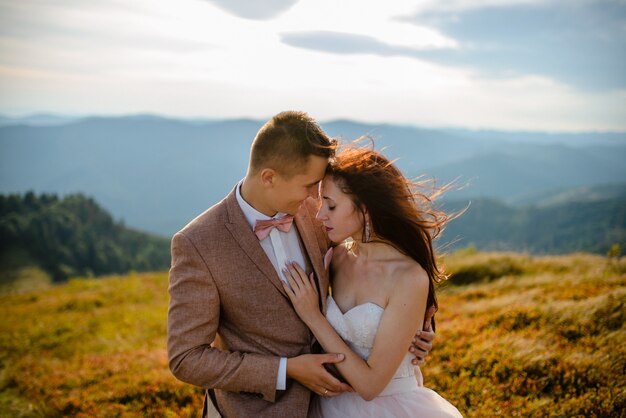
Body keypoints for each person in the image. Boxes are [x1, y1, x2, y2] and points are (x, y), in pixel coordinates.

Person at [167, 111, 435, 418]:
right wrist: (285, 370)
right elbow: (186, 358)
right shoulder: (199, 244)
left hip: (338, 403)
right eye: (309, 186)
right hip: (257, 410)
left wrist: (412, 334)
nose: (316, 199)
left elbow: (379, 275)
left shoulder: (321, 214)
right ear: (269, 177)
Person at [282, 145, 463, 417]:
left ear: (365, 209)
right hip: (330, 404)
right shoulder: (337, 257)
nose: (320, 215)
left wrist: (313, 316)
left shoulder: (409, 277)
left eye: (331, 205)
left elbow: (370, 386)